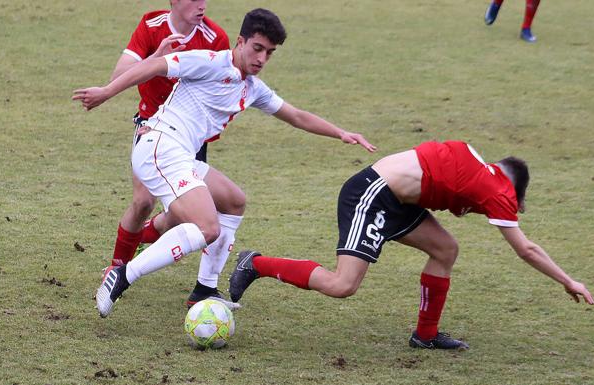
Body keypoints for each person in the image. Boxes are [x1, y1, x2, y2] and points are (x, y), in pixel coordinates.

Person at [72, 8, 377, 318]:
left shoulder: (251, 88)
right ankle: (123, 275)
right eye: (257, 48)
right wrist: (106, 92)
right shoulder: (210, 61)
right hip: (159, 147)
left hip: (180, 154)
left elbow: (296, 115)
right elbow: (154, 66)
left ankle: (204, 289)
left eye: (269, 53)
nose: (261, 58)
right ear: (240, 42)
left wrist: (340, 133)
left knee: (233, 201)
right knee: (206, 226)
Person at [228, 140, 594, 350]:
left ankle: (426, 335)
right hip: (372, 196)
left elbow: (438, 172)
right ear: (514, 190)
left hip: (401, 201)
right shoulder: (498, 191)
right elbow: (526, 249)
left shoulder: (480, 166)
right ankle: (254, 263)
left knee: (446, 249)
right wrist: (567, 280)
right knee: (343, 285)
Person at [104, 0, 243, 309]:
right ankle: (116, 270)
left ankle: (140, 239)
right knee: (142, 202)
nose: (202, 4)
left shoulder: (214, 37)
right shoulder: (151, 25)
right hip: (152, 132)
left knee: (183, 220)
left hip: (191, 138)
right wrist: (155, 58)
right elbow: (119, 73)